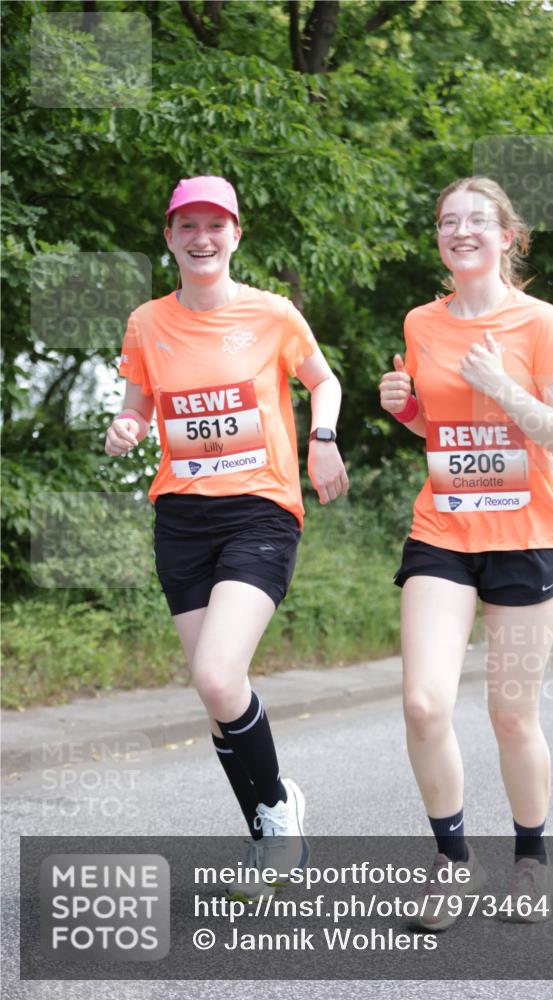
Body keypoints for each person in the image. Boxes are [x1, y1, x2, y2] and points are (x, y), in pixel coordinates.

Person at [105, 175, 348, 898]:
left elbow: (323, 382)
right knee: (218, 694)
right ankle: (267, 835)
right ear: (170, 238)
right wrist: (128, 427)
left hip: (259, 511)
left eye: (216, 226)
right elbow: (137, 403)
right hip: (181, 518)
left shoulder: (272, 315)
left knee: (216, 674)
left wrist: (322, 437)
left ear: (236, 235)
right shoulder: (147, 322)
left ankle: (279, 808)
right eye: (188, 227)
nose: (202, 239)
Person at [379, 176, 553, 929]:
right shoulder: (420, 322)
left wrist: (503, 386)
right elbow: (440, 435)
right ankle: (451, 861)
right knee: (423, 702)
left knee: (510, 715)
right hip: (443, 531)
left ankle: (531, 859)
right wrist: (405, 410)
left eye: (476, 220)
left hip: (527, 541)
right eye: (446, 221)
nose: (459, 230)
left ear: (507, 237)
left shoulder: (538, 322)